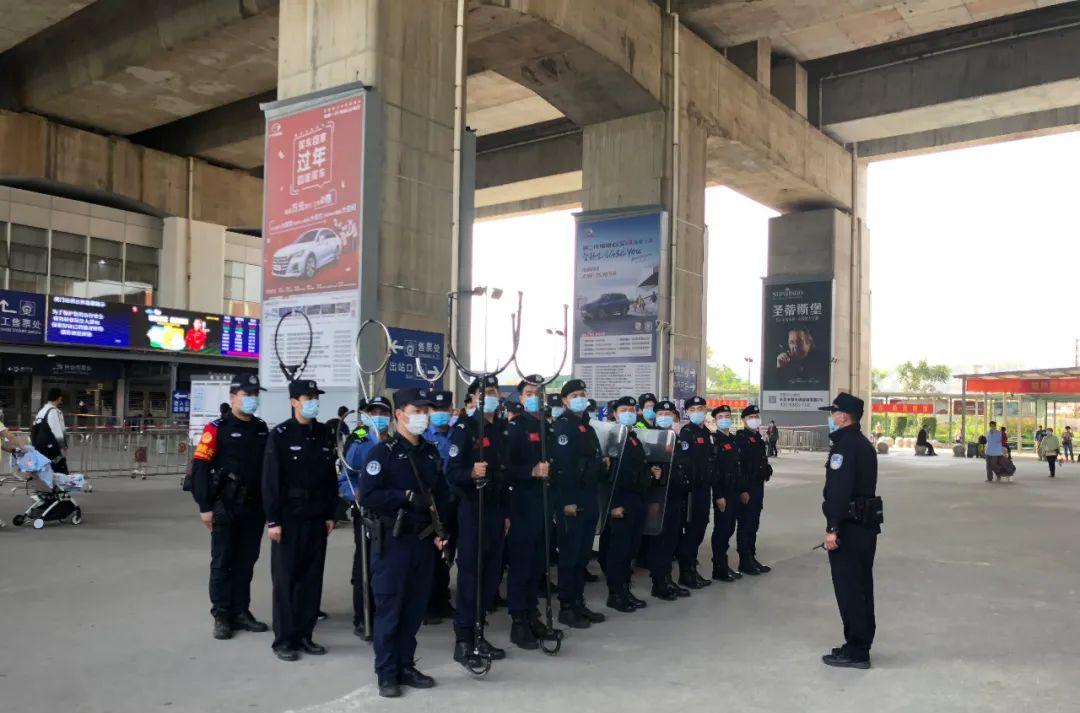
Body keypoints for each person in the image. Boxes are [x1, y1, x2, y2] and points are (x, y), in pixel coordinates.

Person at [359, 387, 450, 698]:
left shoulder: (429, 452)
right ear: (399, 414)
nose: (423, 417)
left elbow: (441, 494)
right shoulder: (381, 453)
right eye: (417, 410)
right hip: (392, 543)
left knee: (413, 609)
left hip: (423, 542)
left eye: (426, 411)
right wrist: (405, 497)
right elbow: (368, 496)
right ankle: (387, 673)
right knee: (390, 609)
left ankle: (406, 664)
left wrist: (442, 531)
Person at [262, 379, 338, 662]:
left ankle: (305, 635)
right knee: (286, 580)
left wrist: (331, 513)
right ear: (294, 401)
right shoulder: (280, 434)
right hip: (289, 519)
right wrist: (273, 520)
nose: (313, 401)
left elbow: (330, 477)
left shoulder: (323, 433)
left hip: (317, 518)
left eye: (315, 396)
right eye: (307, 397)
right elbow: (271, 480)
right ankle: (284, 639)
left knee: (311, 579)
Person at [190, 374, 270, 640]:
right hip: (225, 505)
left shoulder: (260, 428)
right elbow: (201, 467)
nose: (252, 399)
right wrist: (204, 505)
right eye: (247, 394)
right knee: (223, 562)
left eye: (255, 394)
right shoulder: (216, 428)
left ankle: (241, 611)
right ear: (233, 397)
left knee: (246, 561)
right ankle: (222, 614)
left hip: (254, 507)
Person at [448, 375, 511, 666]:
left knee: (490, 577)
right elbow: (451, 473)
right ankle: (464, 639)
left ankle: (479, 632)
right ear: (473, 397)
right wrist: (470, 473)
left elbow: (504, 473)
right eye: (485, 391)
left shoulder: (500, 428)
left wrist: (507, 513)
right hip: (473, 509)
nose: (492, 395)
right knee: (471, 576)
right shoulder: (465, 429)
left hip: (497, 511)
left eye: (495, 391)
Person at [818, 392, 880, 669]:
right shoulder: (862, 444)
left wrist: (832, 528)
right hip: (865, 526)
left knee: (850, 589)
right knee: (862, 587)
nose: (831, 418)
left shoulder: (844, 447)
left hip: (849, 528)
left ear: (843, 416)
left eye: (833, 413)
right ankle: (861, 643)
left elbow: (840, 492)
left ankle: (856, 651)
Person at [550, 378, 607, 627]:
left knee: (582, 556)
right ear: (564, 400)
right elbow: (562, 469)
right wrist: (565, 502)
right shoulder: (563, 426)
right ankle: (566, 606)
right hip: (571, 500)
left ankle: (578, 602)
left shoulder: (587, 427)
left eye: (583, 394)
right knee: (570, 556)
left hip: (588, 496)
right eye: (574, 395)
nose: (580, 398)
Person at [504, 376, 553, 648]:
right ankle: (518, 621)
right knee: (521, 566)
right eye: (530, 392)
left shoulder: (545, 425)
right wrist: (530, 472)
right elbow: (505, 468)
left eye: (538, 392)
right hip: (521, 504)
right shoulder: (515, 428)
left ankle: (532, 613)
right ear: (521, 397)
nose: (534, 396)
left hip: (542, 505)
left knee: (537, 565)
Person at [600, 395, 658, 612]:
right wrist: (612, 504)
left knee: (631, 548)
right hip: (620, 501)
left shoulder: (632, 436)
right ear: (615, 414)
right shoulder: (612, 437)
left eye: (632, 410)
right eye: (623, 409)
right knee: (619, 549)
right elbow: (607, 477)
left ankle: (624, 588)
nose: (629, 413)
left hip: (636, 499)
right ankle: (615, 593)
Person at [342, 396, 392, 638]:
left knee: (386, 567)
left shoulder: (393, 443)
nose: (379, 417)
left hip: (390, 516)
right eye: (374, 412)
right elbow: (345, 479)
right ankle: (362, 617)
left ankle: (384, 615)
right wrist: (355, 496)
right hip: (366, 515)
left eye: (384, 412)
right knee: (364, 567)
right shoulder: (360, 442)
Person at [646, 400, 690, 600]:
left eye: (669, 413)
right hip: (658, 499)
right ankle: (659, 583)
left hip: (676, 497)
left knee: (672, 540)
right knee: (659, 542)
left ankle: (667, 578)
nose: (665, 416)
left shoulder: (676, 438)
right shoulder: (649, 438)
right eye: (661, 413)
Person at [423, 390, 457, 625]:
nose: (441, 413)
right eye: (436, 409)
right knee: (429, 555)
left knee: (448, 553)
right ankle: (427, 603)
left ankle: (443, 599)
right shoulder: (423, 437)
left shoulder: (459, 435)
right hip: (430, 505)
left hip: (455, 502)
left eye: (445, 408)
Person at [675, 395, 714, 590]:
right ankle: (686, 572)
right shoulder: (687, 432)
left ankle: (692, 567)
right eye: (693, 410)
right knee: (691, 531)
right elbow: (684, 462)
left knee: (700, 527)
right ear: (687, 412)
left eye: (701, 409)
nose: (698, 412)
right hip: (692, 491)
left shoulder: (706, 432)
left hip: (704, 489)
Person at [734, 405, 772, 575]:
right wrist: (742, 490)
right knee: (746, 523)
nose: (754, 419)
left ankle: (751, 556)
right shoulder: (741, 438)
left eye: (756, 415)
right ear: (743, 420)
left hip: (758, 486)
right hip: (747, 488)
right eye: (751, 416)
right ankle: (744, 559)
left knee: (753, 523)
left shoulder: (757, 438)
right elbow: (739, 467)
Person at [709, 404, 744, 582]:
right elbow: (714, 471)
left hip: (734, 491)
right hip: (722, 492)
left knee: (730, 527)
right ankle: (719, 567)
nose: (725, 418)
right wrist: (718, 495)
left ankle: (724, 564)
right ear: (715, 420)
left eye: (727, 415)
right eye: (721, 416)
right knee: (721, 530)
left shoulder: (733, 439)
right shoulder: (714, 440)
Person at [33, 388, 68, 474]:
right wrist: (63, 447)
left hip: (41, 447)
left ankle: (45, 485)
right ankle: (60, 484)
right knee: (60, 468)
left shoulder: (42, 410)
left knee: (45, 470)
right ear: (59, 398)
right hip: (52, 449)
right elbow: (57, 431)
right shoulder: (53, 411)